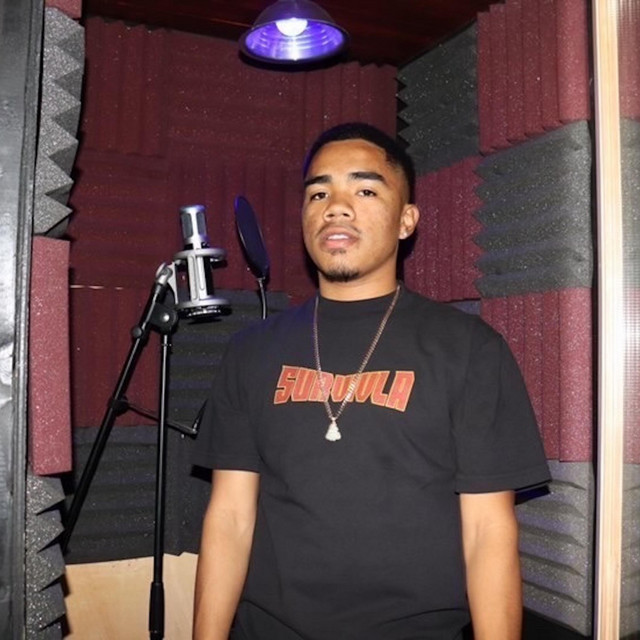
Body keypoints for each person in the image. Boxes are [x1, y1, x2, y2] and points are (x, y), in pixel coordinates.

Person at [192, 122, 550, 640]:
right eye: (319, 193)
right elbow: (229, 517)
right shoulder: (250, 351)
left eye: (364, 190)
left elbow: (487, 532)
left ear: (406, 221)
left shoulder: (470, 349)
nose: (336, 207)